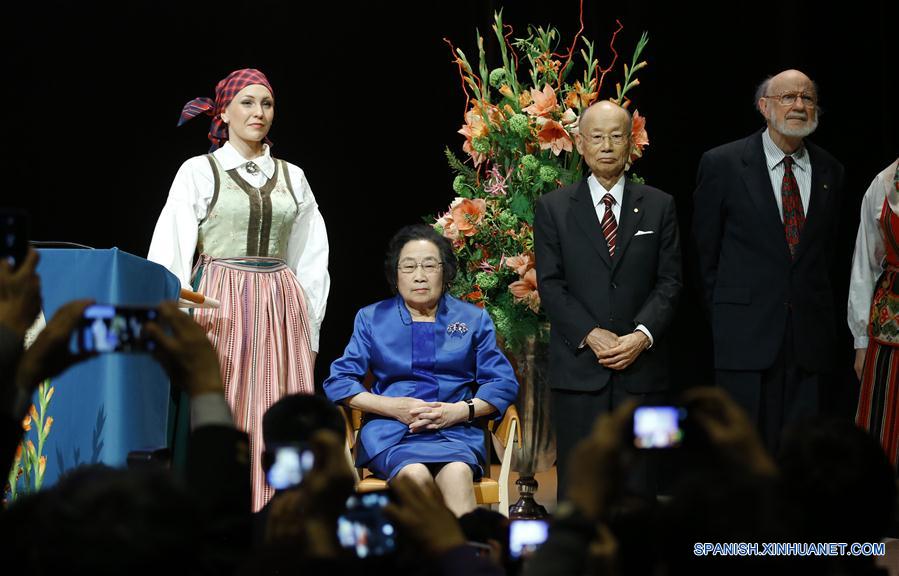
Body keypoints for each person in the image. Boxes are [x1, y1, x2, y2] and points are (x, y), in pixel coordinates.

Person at [147, 68, 330, 511]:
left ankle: (282, 516)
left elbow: (311, 257)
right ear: (224, 111)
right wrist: (180, 319)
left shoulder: (293, 176)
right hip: (219, 304)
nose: (259, 112)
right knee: (222, 409)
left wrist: (309, 327)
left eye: (266, 104)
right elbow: (168, 253)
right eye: (247, 102)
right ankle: (220, 516)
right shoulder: (200, 171)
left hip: (279, 309)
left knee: (279, 410)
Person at [534, 100, 682, 498]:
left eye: (616, 136)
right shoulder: (553, 208)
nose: (606, 145)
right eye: (596, 137)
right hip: (580, 374)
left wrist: (640, 336)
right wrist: (590, 333)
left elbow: (670, 283)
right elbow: (550, 284)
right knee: (581, 490)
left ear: (631, 145)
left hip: (648, 374)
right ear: (580, 144)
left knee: (648, 486)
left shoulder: (660, 204)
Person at [693, 69, 845, 452]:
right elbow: (705, 253)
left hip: (810, 343)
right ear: (764, 107)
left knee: (804, 458)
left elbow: (830, 256)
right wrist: (726, 317)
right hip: (744, 340)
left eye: (807, 98)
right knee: (742, 458)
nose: (798, 105)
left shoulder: (832, 171)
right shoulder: (723, 163)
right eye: (788, 97)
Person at [323, 225, 518, 516]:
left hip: (456, 433)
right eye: (409, 266)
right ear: (395, 274)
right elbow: (339, 381)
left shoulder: (473, 319)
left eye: (430, 265)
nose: (419, 276)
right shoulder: (371, 318)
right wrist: (392, 407)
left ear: (446, 271)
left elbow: (502, 382)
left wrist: (459, 411)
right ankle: (427, 557)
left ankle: (465, 556)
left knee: (457, 473)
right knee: (414, 475)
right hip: (392, 433)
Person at [848, 158, 899, 466]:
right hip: (891, 335)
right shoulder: (883, 184)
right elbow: (864, 265)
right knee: (884, 432)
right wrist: (861, 341)